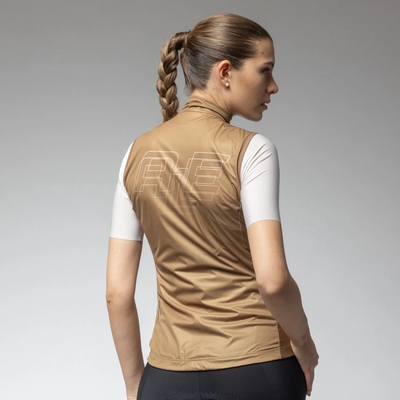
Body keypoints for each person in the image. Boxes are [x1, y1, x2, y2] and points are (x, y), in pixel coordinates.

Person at [106, 13, 318, 400]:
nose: (273, 86)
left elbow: (117, 294)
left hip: (166, 377)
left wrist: (136, 385)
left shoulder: (134, 154)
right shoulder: (253, 150)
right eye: (265, 70)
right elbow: (272, 281)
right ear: (225, 72)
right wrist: (304, 344)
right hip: (258, 371)